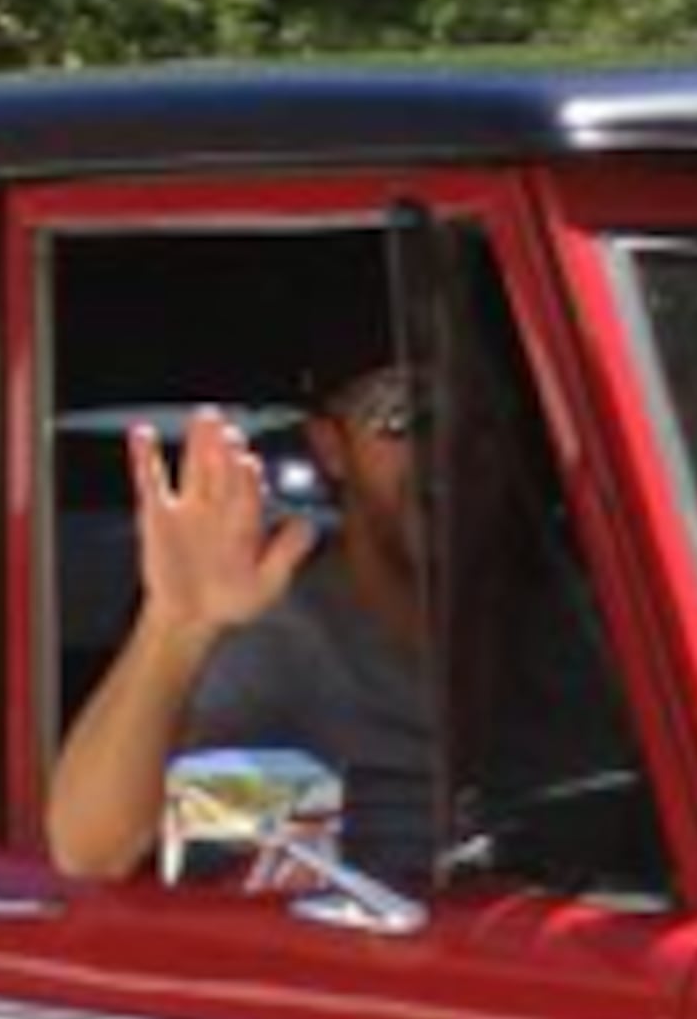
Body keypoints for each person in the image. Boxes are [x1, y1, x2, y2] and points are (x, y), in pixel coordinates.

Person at [43, 352, 435, 886]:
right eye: (406, 415)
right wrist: (178, 623)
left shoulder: (567, 623)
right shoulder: (266, 631)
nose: (448, 449)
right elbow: (90, 851)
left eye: (479, 416)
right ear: (331, 446)